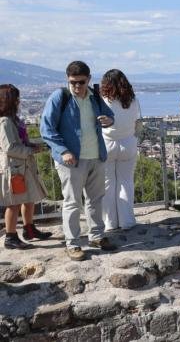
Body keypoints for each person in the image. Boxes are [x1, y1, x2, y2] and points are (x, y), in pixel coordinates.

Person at [40, 61, 117, 261]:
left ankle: (96, 236)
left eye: (80, 82)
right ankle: (73, 244)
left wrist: (110, 120)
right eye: (72, 82)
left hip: (96, 156)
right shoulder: (60, 97)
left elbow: (108, 116)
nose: (76, 87)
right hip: (71, 160)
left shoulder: (94, 96)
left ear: (88, 79)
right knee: (72, 202)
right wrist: (63, 150)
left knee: (95, 200)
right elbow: (46, 129)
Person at [0, 84, 52, 249]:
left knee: (29, 199)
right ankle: (10, 236)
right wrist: (29, 150)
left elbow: (19, 141)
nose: (19, 101)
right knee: (13, 203)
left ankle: (29, 229)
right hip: (14, 169)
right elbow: (9, 148)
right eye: (16, 98)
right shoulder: (5, 122)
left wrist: (31, 146)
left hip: (23, 167)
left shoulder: (14, 120)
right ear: (8, 100)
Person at [100, 69, 142, 231]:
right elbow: (138, 122)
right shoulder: (133, 100)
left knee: (107, 184)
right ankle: (127, 221)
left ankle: (109, 222)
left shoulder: (103, 101)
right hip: (128, 143)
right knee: (126, 182)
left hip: (107, 143)